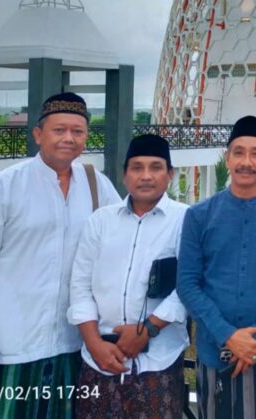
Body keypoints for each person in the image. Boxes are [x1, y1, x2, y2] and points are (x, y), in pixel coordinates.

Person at [0, 92, 121, 418]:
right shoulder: (4, 187)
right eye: (59, 130)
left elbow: (122, 244)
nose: (68, 139)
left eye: (77, 131)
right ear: (38, 135)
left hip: (71, 346)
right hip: (10, 347)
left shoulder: (97, 186)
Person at [177, 115, 256, 418]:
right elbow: (188, 283)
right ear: (228, 157)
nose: (246, 162)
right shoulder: (199, 216)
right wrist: (229, 336)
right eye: (239, 152)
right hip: (215, 352)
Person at [68, 134, 189, 417]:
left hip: (158, 361)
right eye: (137, 167)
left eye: (156, 167)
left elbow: (189, 285)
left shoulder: (186, 219)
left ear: (169, 174)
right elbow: (80, 284)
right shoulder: (100, 221)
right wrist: (94, 343)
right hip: (97, 361)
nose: (146, 176)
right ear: (124, 175)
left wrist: (147, 330)